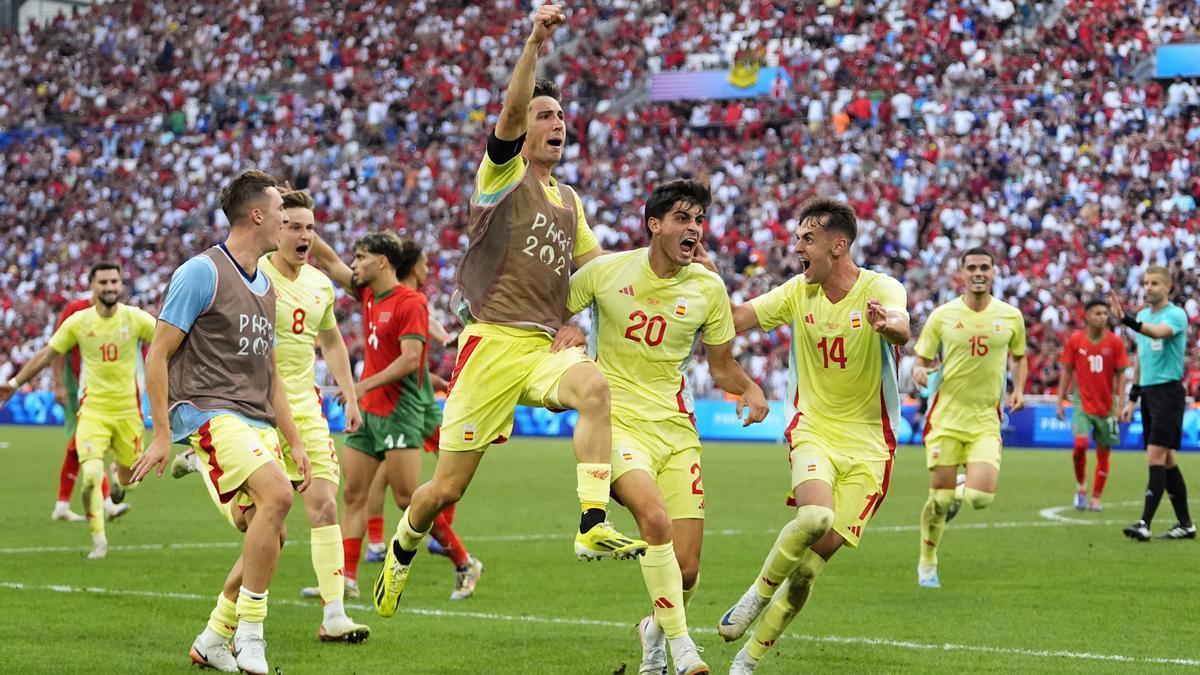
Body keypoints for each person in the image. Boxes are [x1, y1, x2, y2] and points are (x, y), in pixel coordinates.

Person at [372, 2, 646, 620]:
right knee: (447, 488)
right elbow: (510, 112)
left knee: (594, 387)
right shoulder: (502, 175)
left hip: (544, 347)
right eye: (545, 115)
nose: (556, 123)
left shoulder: (569, 200)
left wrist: (651, 267)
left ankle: (592, 522)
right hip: (491, 344)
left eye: (561, 117)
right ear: (526, 129)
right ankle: (404, 546)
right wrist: (533, 43)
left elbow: (598, 271)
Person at [564, 179, 770, 675]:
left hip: (677, 431)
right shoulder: (605, 271)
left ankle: (652, 634)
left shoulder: (708, 287)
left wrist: (750, 388)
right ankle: (684, 650)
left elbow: (721, 365)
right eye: (682, 218)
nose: (694, 228)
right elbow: (549, 311)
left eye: (699, 220)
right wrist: (564, 326)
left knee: (688, 569)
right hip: (617, 424)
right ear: (654, 225)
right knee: (654, 522)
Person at [130, 169, 313, 675]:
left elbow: (270, 373)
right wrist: (162, 434)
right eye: (280, 211)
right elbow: (158, 352)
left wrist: (295, 441)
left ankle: (214, 636)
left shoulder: (267, 286)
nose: (286, 219)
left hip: (258, 421)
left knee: (270, 534)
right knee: (278, 496)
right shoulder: (201, 272)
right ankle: (251, 636)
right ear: (257, 215)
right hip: (210, 411)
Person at [716, 198, 909, 674]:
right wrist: (707, 283)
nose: (797, 247)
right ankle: (755, 595)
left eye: (808, 238)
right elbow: (735, 319)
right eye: (798, 237)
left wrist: (889, 325)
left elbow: (902, 325)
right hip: (814, 429)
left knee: (806, 571)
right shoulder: (797, 291)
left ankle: (746, 661)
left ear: (838, 246)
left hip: (871, 446)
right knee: (816, 516)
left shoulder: (880, 288)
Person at [309, 232, 483, 600]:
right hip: (369, 412)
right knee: (353, 494)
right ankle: (347, 579)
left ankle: (464, 562)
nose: (354, 264)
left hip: (400, 412)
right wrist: (300, 222)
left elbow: (409, 360)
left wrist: (361, 386)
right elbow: (330, 261)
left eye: (361, 257)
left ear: (382, 261)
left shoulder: (411, 302)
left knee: (407, 498)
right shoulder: (368, 293)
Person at [256, 188, 370, 639]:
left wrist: (350, 395)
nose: (303, 236)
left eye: (310, 228)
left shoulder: (320, 284)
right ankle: (234, 622)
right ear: (274, 229)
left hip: (306, 408)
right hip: (256, 411)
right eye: (293, 227)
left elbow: (332, 340)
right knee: (260, 521)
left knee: (324, 505)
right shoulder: (254, 275)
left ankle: (334, 615)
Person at [0, 262, 154, 558]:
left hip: (128, 413)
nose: (109, 287)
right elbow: (48, 353)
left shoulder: (135, 319)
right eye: (103, 282)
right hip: (92, 411)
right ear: (92, 286)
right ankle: (99, 541)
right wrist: (16, 382)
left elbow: (169, 340)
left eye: (114, 282)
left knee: (129, 479)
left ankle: (118, 481)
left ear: (121, 285)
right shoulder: (79, 322)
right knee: (92, 474)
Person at [912, 247, 1027, 589]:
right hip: (945, 418)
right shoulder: (942, 316)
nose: (979, 273)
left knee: (980, 498)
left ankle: (960, 487)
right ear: (961, 274)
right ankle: (928, 561)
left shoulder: (1010, 316)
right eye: (972, 267)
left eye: (985, 267)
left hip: (985, 421)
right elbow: (922, 359)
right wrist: (919, 371)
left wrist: (1019, 388)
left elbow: (1019, 356)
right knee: (940, 501)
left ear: (994, 272)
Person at [1110, 266, 1194, 540]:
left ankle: (1144, 523)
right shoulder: (1144, 316)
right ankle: (1186, 525)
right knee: (1167, 460)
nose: (1148, 287)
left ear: (1168, 287)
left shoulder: (1176, 315)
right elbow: (1141, 360)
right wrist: (1132, 399)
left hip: (1168, 393)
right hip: (1148, 394)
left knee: (1155, 456)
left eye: (1155, 283)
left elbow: (1158, 333)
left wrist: (1127, 320)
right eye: (1146, 282)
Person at [50, 294, 131, 522]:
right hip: (75, 385)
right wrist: (58, 384)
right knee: (87, 443)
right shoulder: (76, 309)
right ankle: (107, 503)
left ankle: (63, 505)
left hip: (96, 389)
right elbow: (56, 347)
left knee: (78, 445)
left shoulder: (118, 314)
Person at [1056, 299, 1129, 511]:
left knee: (1103, 453)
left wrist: (1120, 405)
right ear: (1086, 316)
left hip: (1107, 406)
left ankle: (1096, 497)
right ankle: (1081, 487)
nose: (1103, 317)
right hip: (1082, 403)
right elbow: (1067, 371)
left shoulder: (1115, 343)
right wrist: (1060, 401)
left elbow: (1121, 376)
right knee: (1080, 445)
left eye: (1105, 313)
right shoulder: (1076, 340)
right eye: (1097, 313)